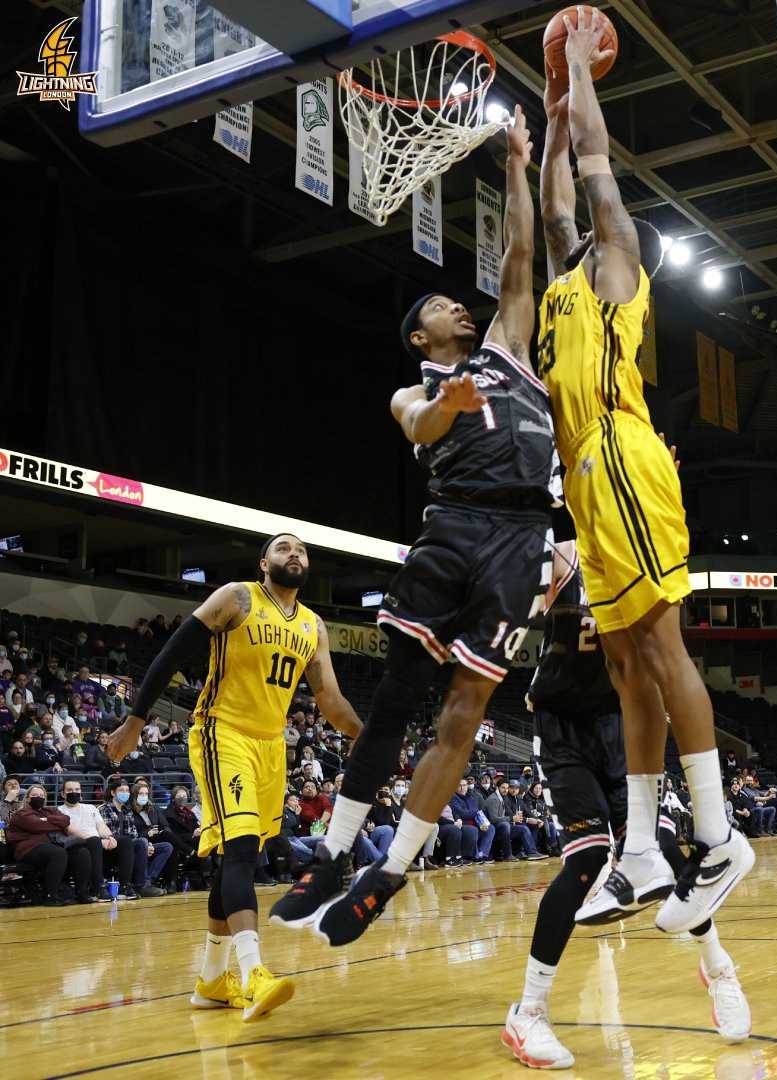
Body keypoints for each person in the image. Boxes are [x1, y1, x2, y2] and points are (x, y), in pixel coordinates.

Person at [270, 106, 561, 948]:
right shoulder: (414, 390)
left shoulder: (509, 346)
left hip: (521, 541)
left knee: (465, 712)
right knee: (396, 695)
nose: (459, 310)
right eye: (441, 306)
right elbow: (418, 430)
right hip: (453, 529)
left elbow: (517, 257)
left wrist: (514, 164)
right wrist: (448, 402)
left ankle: (386, 873)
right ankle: (330, 855)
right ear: (419, 337)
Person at [536, 10, 753, 933]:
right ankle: (640, 851)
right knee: (626, 668)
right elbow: (553, 202)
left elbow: (593, 172)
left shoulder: (617, 261)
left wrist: (582, 75)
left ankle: (718, 835)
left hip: (624, 457)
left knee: (660, 653)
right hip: (586, 485)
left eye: (590, 231)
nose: (581, 232)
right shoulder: (561, 288)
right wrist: (548, 113)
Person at [503, 539, 749, 1069]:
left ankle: (719, 969)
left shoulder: (642, 555)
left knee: (663, 844)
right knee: (587, 861)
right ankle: (529, 1009)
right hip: (562, 725)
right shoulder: (562, 556)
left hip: (624, 725)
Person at [107, 533, 363, 1020]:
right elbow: (172, 655)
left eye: (302, 551)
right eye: (285, 548)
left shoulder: (313, 625)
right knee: (243, 848)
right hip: (222, 733)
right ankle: (253, 973)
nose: (295, 554)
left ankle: (210, 981)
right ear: (264, 561)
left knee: (236, 857)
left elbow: (330, 701)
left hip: (271, 748)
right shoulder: (237, 596)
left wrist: (366, 735)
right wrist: (134, 722)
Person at [8, 782, 102, 905]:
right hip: (29, 848)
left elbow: (65, 820)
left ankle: (82, 892)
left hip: (53, 844)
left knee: (82, 852)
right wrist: (53, 824)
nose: (39, 797)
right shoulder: (21, 813)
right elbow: (36, 826)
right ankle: (52, 894)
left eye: (41, 795)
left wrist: (47, 820)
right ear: (28, 798)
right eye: (35, 795)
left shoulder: (50, 811)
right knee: (58, 853)